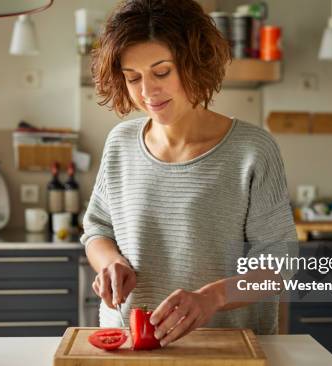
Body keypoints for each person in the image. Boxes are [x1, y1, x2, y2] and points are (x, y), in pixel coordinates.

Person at [81, 0, 297, 347]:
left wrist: (213, 298)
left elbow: (278, 264)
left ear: (195, 63)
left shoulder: (253, 150)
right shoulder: (120, 143)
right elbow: (97, 229)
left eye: (162, 72)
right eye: (133, 78)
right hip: (131, 346)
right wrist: (110, 262)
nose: (147, 92)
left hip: (225, 350)